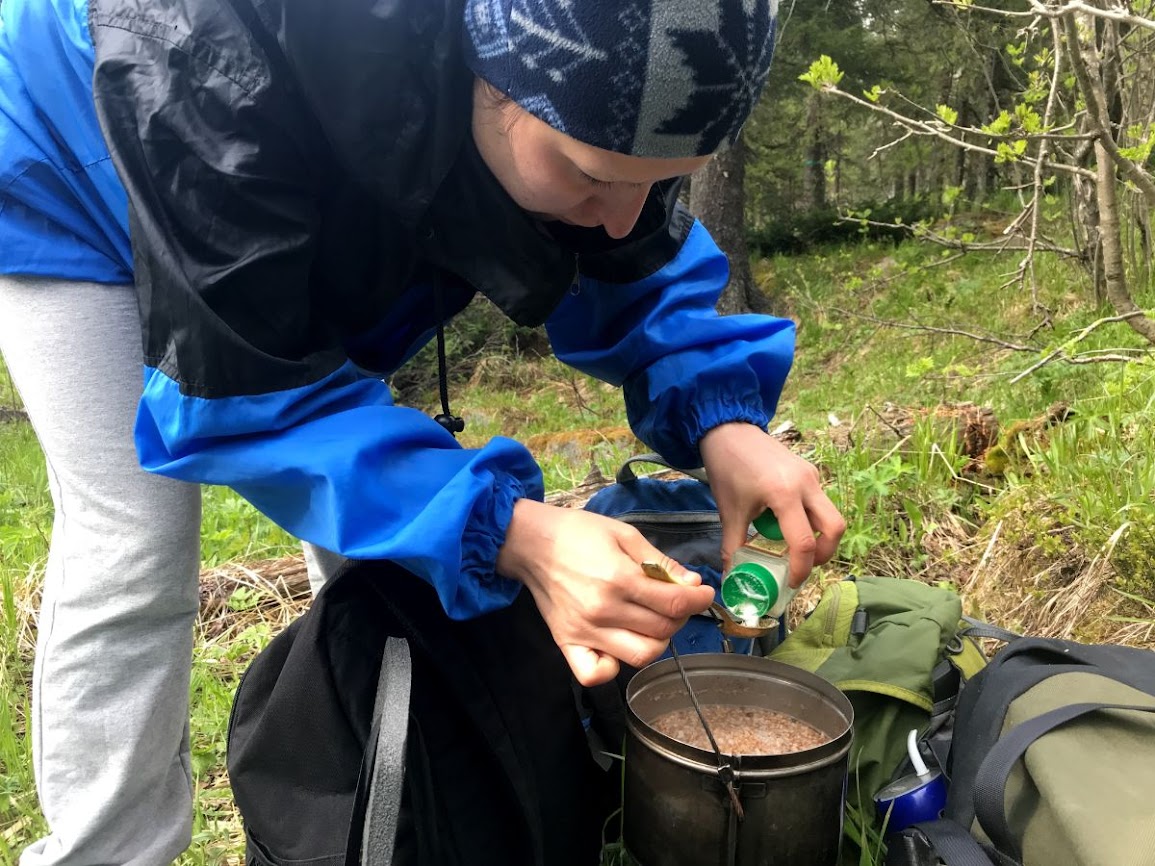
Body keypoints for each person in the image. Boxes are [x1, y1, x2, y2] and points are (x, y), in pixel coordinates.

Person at [0, 0, 847, 863]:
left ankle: (389, 787)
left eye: (661, 181)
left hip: (328, 167)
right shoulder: (211, 60)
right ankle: (109, 850)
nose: (623, 217)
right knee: (136, 541)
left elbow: (631, 256)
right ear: (488, 80)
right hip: (80, 160)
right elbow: (250, 392)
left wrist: (725, 421)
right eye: (590, 176)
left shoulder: (558, 109)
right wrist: (508, 530)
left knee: (390, 545)